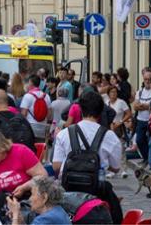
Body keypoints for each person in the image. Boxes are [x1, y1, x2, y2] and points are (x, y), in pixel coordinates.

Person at [52, 90, 123, 224]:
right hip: (97, 194)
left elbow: (56, 166)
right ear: (101, 111)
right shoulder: (109, 136)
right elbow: (116, 167)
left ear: (80, 109)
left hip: (68, 192)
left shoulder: (64, 133)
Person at [5, 177, 71, 225]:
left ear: (44, 197)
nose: (30, 199)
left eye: (33, 194)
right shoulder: (57, 210)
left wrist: (15, 214)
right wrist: (20, 221)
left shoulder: (46, 219)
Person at [134, 68, 151, 164]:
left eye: (149, 79)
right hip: (141, 120)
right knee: (139, 140)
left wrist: (143, 106)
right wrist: (145, 106)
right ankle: (146, 158)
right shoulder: (140, 92)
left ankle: (150, 160)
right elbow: (135, 106)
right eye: (145, 79)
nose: (147, 81)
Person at [21, 75, 50, 140]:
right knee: (41, 148)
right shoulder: (46, 96)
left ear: (31, 82)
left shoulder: (27, 96)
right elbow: (49, 114)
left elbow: (24, 114)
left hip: (31, 127)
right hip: (43, 127)